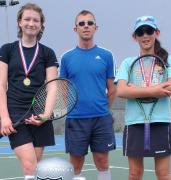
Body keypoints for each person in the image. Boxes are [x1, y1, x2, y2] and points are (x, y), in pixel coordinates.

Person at [115, 15, 171, 180]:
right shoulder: (127, 63)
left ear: (156, 33)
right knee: (134, 174)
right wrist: (156, 90)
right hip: (135, 123)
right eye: (140, 32)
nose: (145, 35)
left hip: (160, 121)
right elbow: (121, 91)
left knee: (163, 174)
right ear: (134, 36)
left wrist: (135, 89)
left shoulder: (167, 61)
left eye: (149, 30)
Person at [0, 3, 58, 180]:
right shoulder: (7, 49)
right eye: (27, 19)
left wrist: (46, 115)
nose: (31, 23)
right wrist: (4, 117)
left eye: (36, 20)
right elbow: (1, 85)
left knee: (35, 168)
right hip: (15, 112)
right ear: (19, 22)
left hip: (39, 114)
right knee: (30, 166)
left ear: (41, 25)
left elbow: (53, 85)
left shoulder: (48, 53)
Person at [59, 10, 116, 180]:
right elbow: (63, 90)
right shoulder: (66, 58)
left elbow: (112, 89)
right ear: (75, 29)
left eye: (90, 23)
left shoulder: (106, 55)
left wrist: (104, 109)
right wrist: (70, 109)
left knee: (102, 162)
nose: (86, 26)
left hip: (101, 119)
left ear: (95, 28)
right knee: (75, 165)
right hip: (76, 119)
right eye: (81, 23)